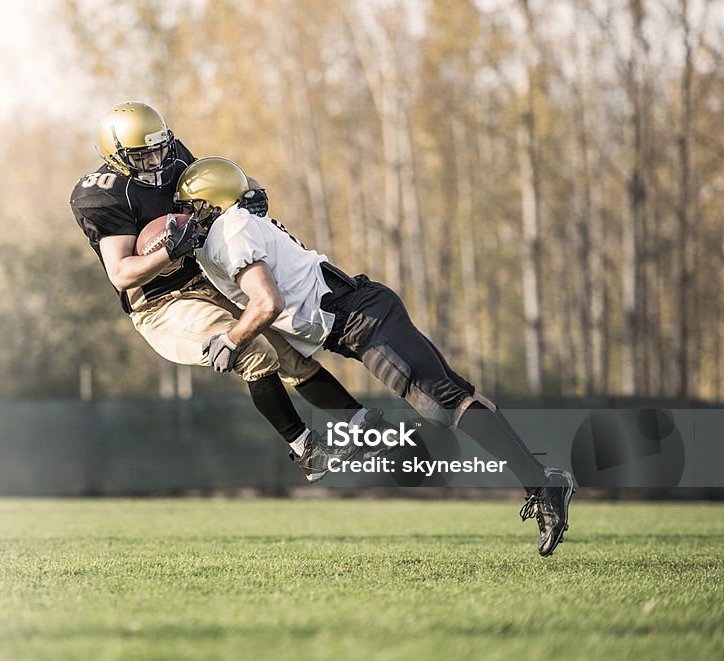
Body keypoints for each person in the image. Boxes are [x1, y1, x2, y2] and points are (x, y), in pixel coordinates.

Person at [175, 156, 577, 557]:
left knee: (442, 405)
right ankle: (542, 481)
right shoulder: (234, 225)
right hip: (355, 315)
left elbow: (267, 303)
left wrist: (232, 339)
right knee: (456, 395)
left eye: (189, 208)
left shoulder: (230, 230)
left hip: (360, 320)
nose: (183, 218)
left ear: (211, 205)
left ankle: (544, 485)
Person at [69, 101, 387, 482]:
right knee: (252, 350)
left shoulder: (172, 155)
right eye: (143, 156)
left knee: (287, 348)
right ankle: (306, 449)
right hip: (161, 303)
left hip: (206, 277)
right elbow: (121, 274)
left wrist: (249, 191)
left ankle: (359, 423)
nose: (155, 161)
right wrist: (171, 248)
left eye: (158, 149)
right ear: (116, 157)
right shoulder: (102, 195)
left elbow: (213, 177)